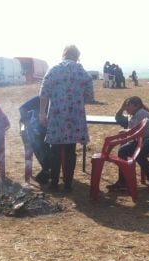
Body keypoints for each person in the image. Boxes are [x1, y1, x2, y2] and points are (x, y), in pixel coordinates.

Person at [39, 45, 94, 193]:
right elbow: (89, 97)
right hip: (75, 117)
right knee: (70, 151)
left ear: (64, 55)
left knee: (55, 150)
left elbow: (44, 93)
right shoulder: (83, 72)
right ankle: (68, 184)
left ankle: (54, 183)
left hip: (57, 116)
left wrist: (42, 113)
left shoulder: (54, 70)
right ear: (77, 56)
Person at [107, 96, 149, 192]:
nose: (126, 108)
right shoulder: (133, 114)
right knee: (122, 151)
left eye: (128, 105)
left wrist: (126, 132)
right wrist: (122, 108)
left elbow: (135, 131)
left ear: (136, 105)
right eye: (126, 106)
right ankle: (123, 181)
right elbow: (120, 119)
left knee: (139, 152)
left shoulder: (141, 113)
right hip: (141, 138)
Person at [18, 95, 49, 184]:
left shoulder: (61, 99)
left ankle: (48, 169)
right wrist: (28, 124)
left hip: (54, 130)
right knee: (36, 140)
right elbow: (22, 108)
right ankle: (47, 168)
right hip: (38, 130)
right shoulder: (39, 99)